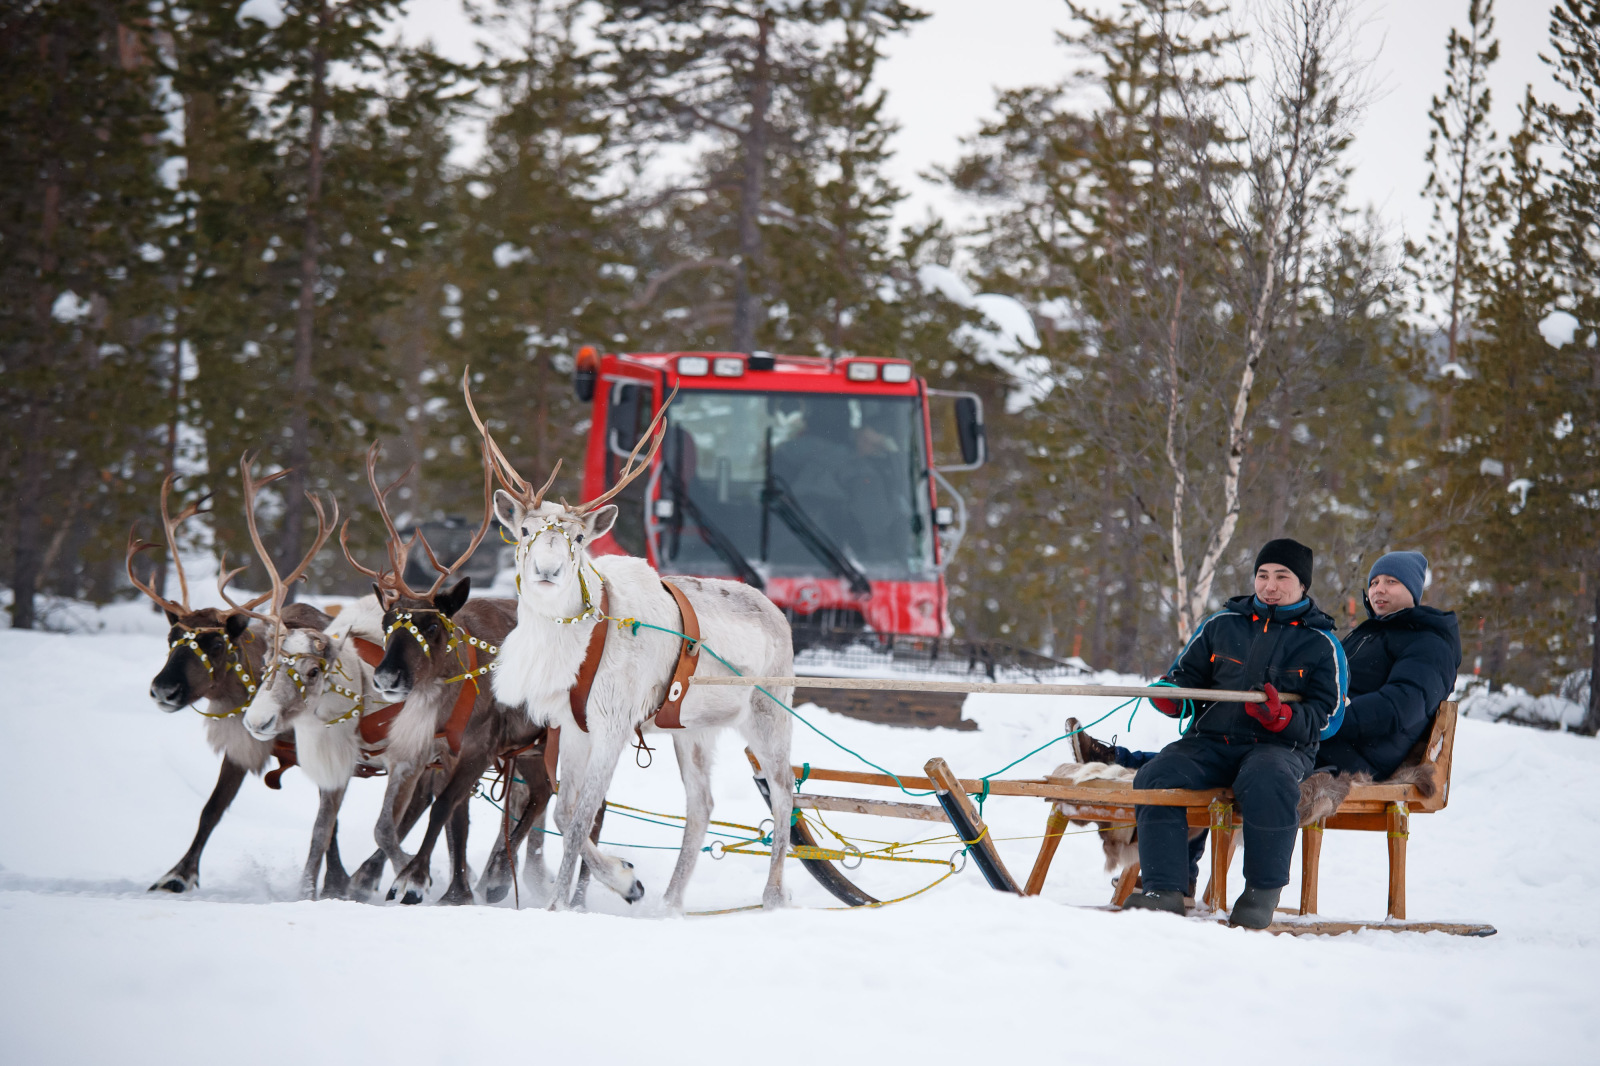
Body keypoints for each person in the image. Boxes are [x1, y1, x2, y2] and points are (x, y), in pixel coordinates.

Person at [1121, 538, 1347, 928]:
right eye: (1263, 575)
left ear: (1303, 584)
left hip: (1281, 747)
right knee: (1156, 775)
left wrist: (1282, 717)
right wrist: (1172, 698)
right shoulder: (1221, 624)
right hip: (1210, 742)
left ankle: (1261, 891)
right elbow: (1185, 680)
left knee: (1268, 779)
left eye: (1282, 577)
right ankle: (1166, 889)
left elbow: (1328, 717)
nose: (1270, 585)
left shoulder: (1321, 642)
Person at [1313, 551, 1460, 779]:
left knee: (1268, 761)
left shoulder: (1429, 644)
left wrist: (1326, 721)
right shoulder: (1368, 634)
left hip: (1356, 759)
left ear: (1412, 590)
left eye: (1391, 581)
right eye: (1374, 582)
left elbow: (1399, 706)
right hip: (1330, 743)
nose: (1378, 589)